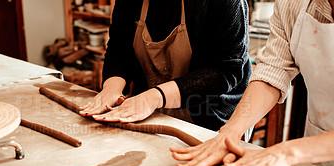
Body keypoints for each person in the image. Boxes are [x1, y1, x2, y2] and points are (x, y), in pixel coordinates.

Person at [171, 0, 334, 166]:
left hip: (306, 151)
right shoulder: (292, 3)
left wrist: (287, 152)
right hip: (317, 159)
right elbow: (272, 72)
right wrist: (230, 132)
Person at [79, 0, 252, 131]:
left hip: (212, 115)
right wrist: (112, 88)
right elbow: (119, 48)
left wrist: (154, 97)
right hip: (148, 107)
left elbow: (226, 70)